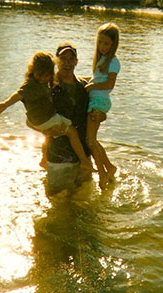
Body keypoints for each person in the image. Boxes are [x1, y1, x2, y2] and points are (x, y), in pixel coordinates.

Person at [0, 51, 95, 172]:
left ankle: (44, 158)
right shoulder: (29, 85)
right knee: (72, 131)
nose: (42, 79)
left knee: (48, 135)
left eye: (46, 76)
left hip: (39, 119)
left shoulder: (47, 81)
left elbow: (76, 79)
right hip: (45, 118)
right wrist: (5, 104)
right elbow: (18, 95)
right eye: (39, 75)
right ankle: (84, 161)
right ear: (33, 71)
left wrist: (94, 79)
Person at [44, 42, 106, 195]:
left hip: (83, 158)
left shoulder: (85, 87)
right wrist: (47, 129)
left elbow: (98, 110)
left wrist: (102, 115)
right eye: (63, 58)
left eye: (71, 59)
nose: (67, 63)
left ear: (76, 62)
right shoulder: (48, 87)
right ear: (56, 61)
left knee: (84, 202)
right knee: (57, 204)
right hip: (59, 158)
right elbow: (33, 119)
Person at [84, 23, 120, 189]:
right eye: (100, 42)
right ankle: (110, 167)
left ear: (113, 44)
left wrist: (91, 87)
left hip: (99, 102)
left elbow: (109, 84)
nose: (102, 46)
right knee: (93, 140)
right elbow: (96, 78)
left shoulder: (113, 61)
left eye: (106, 43)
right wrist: (84, 81)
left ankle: (102, 173)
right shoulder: (101, 60)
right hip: (95, 100)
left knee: (90, 140)